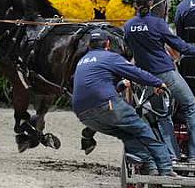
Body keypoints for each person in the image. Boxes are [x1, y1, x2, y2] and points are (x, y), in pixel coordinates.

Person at [72, 28, 177, 176]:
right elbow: (136, 73)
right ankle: (166, 168)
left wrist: (121, 85)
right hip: (106, 105)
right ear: (107, 44)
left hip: (83, 114)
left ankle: (150, 166)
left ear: (90, 45)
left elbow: (95, 84)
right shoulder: (109, 57)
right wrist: (158, 83)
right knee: (143, 129)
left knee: (126, 134)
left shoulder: (82, 61)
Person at [124, 0, 195, 164]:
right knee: (191, 106)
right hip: (165, 74)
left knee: (162, 114)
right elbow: (179, 46)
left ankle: (172, 154)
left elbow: (132, 50)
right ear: (151, 4)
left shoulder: (128, 26)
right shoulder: (158, 24)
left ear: (134, 5)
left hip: (146, 77)